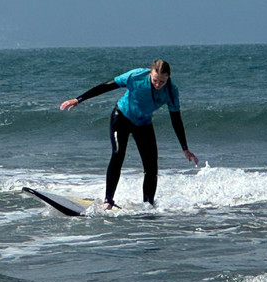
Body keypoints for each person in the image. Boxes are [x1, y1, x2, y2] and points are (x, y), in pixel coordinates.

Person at [61, 59, 198, 209]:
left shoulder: (171, 91)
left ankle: (148, 205)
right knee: (118, 154)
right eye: (155, 80)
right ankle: (108, 200)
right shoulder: (136, 76)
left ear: (168, 77)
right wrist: (79, 99)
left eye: (162, 82)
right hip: (122, 117)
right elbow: (108, 86)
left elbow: (176, 119)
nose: (158, 85)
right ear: (150, 74)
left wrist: (185, 147)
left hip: (143, 123)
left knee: (151, 167)